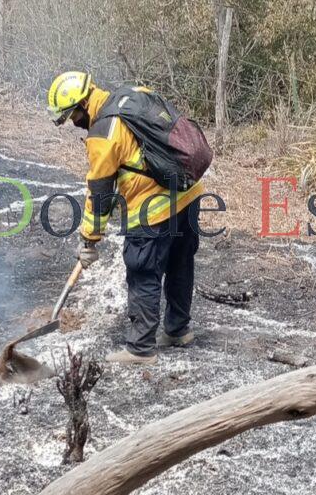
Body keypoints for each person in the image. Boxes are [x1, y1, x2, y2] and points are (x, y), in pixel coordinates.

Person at [47, 70, 204, 365]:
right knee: (180, 261)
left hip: (152, 208)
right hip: (188, 192)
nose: (73, 123)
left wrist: (89, 239)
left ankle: (141, 349)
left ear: (81, 105)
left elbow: (101, 192)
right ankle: (177, 330)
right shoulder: (134, 92)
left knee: (143, 269)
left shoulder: (103, 133)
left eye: (71, 116)